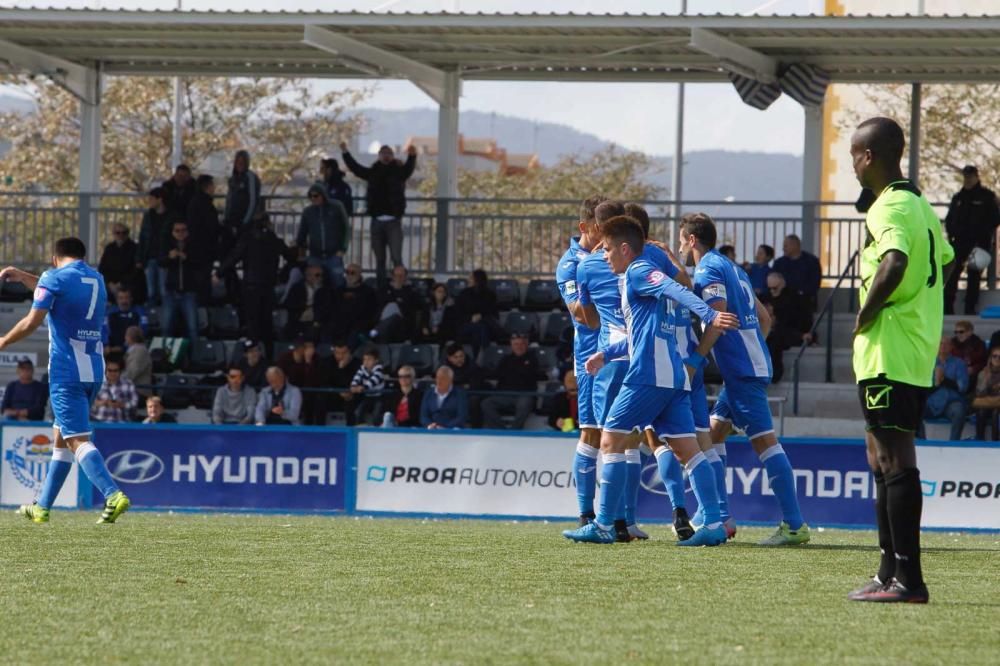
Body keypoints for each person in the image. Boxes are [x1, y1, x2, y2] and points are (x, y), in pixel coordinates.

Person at [564, 215, 738, 546]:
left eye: (608, 249)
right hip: (673, 375)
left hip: (648, 375)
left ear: (625, 249)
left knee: (610, 440)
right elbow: (640, 332)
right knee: (689, 450)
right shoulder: (640, 274)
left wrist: (709, 314)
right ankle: (714, 523)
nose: (604, 256)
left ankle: (602, 524)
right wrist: (607, 353)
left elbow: (674, 287)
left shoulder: (639, 271)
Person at [847, 116, 954, 604]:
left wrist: (868, 312)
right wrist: (921, 309)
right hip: (908, 346)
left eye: (854, 153)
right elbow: (946, 261)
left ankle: (910, 581)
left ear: (868, 156)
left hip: (889, 346)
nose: (852, 162)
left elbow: (895, 262)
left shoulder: (889, 206)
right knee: (879, 459)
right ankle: (889, 571)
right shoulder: (922, 208)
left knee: (893, 461)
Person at [682, 212, 810, 546]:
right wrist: (751, 349)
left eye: (681, 239)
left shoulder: (709, 268)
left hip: (743, 372)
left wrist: (696, 361)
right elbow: (765, 318)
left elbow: (718, 318)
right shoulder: (733, 268)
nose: (680, 245)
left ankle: (795, 526)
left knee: (766, 444)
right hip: (747, 368)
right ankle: (721, 514)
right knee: (713, 433)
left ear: (692, 240)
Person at [0, 238, 131, 523]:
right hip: (93, 371)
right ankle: (42, 506)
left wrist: (4, 340)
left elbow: (34, 319)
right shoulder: (96, 278)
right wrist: (24, 278)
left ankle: (112, 494)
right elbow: (58, 289)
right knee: (62, 438)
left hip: (66, 371)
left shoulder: (54, 278)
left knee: (76, 439)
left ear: (54, 257)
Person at [555, 195, 604, 522]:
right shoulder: (572, 264)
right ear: (585, 227)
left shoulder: (616, 257)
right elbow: (584, 316)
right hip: (591, 360)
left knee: (625, 434)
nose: (608, 238)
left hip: (622, 356)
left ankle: (623, 519)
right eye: (602, 230)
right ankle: (586, 515)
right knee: (591, 433)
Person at [217, 212, 297, 355]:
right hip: (268, 285)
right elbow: (290, 257)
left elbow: (234, 257)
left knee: (252, 324)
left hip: (251, 286)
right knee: (267, 324)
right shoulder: (274, 240)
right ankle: (269, 357)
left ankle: (252, 357)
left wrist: (219, 273)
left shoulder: (247, 239)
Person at [340, 141, 417, 288]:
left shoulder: (398, 172)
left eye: (389, 154)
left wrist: (412, 157)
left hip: (393, 221)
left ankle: (399, 285)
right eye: (384, 154)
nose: (386, 156)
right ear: (379, 156)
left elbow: (408, 169)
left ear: (393, 156)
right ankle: (382, 288)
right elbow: (356, 168)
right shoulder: (373, 172)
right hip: (376, 221)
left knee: (396, 257)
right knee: (380, 259)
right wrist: (345, 152)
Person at [943, 165, 1000, 315]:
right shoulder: (959, 197)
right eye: (966, 176)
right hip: (959, 242)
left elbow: (995, 218)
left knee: (974, 276)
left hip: (979, 243)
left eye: (970, 176)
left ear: (976, 176)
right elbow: (950, 219)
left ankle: (970, 308)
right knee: (952, 274)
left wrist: (982, 232)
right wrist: (951, 234)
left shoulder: (987, 196)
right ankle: (947, 307)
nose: (967, 180)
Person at [296, 182, 350, 288]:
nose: (313, 198)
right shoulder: (308, 211)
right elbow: (302, 232)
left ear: (323, 195)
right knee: (313, 283)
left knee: (338, 282)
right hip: (315, 254)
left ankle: (338, 303)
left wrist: (343, 249)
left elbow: (346, 228)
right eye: (310, 196)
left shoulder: (337, 206)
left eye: (316, 195)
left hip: (334, 254)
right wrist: (300, 249)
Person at [762, 272, 813, 383]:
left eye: (774, 288)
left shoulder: (794, 299)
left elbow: (798, 321)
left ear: (782, 285)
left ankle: (773, 374)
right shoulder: (766, 297)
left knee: (775, 340)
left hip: (787, 333)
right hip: (770, 332)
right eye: (769, 288)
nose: (772, 291)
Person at [481, 333, 539, 430]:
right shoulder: (505, 359)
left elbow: (531, 375)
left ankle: (515, 431)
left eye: (521, 344)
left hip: (524, 394)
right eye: (516, 344)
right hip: (505, 394)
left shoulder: (533, 359)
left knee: (524, 404)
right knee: (486, 403)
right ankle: (501, 430)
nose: (519, 347)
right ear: (511, 346)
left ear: (526, 345)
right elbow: (497, 374)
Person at [159, 220, 202, 343]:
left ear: (188, 232)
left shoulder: (194, 245)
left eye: (183, 230)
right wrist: (169, 257)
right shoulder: (167, 245)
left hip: (189, 292)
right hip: (171, 292)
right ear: (172, 232)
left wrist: (187, 257)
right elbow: (160, 262)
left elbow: (200, 262)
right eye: (177, 230)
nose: (180, 233)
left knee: (193, 328)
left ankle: (195, 357)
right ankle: (165, 358)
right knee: (166, 327)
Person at [920, 337, 968, 441]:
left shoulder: (958, 363)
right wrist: (936, 383)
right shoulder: (927, 363)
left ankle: (954, 443)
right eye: (940, 343)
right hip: (931, 402)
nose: (943, 346)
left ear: (951, 347)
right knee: (915, 411)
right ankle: (922, 443)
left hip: (951, 402)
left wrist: (944, 379)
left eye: (946, 344)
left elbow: (962, 387)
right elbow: (921, 386)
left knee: (959, 411)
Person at [137, 186, 174, 305]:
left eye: (152, 199)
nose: (149, 202)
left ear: (160, 199)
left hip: (164, 257)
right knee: (151, 291)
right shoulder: (148, 216)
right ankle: (153, 316)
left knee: (164, 290)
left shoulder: (171, 217)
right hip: (150, 256)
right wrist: (140, 257)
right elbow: (142, 237)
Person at [277, 337, 324, 425]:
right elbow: (282, 377)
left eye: (312, 347)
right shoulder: (285, 358)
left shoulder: (316, 359)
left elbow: (314, 382)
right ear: (299, 348)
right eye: (308, 347)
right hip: (289, 391)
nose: (311, 350)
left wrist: (308, 363)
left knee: (318, 401)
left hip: (309, 393)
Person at [331, 263, 378, 348]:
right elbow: (334, 310)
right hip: (339, 327)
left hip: (359, 328)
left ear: (359, 274)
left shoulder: (368, 292)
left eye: (352, 272)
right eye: (347, 272)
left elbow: (371, 313)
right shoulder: (338, 291)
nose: (349, 275)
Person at [455, 269, 501, 356]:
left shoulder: (490, 295)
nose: (468, 280)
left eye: (471, 278)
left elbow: (493, 312)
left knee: (480, 329)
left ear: (478, 279)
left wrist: (481, 316)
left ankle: (477, 359)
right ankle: (486, 356)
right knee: (481, 328)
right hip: (466, 324)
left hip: (484, 324)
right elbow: (458, 313)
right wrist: (470, 318)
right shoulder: (464, 294)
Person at [283, 264, 335, 341]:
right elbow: (289, 304)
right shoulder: (297, 288)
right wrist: (305, 307)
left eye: (322, 275)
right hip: (299, 321)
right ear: (308, 276)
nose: (321, 277)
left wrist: (318, 291)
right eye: (317, 275)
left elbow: (329, 307)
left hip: (319, 321)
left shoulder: (327, 289)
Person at [373, 265, 424, 343]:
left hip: (402, 325)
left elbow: (414, 309)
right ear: (392, 276)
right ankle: (376, 333)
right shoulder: (383, 290)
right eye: (396, 275)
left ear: (405, 277)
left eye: (401, 276)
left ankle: (373, 334)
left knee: (394, 310)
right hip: (383, 322)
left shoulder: (411, 292)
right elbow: (379, 306)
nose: (398, 278)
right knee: (391, 308)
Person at [772, 234, 822, 314]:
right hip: (783, 304)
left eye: (786, 246)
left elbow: (815, 283)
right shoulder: (779, 263)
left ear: (795, 245)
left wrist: (798, 290)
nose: (783, 249)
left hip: (804, 303)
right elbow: (773, 281)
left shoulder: (811, 262)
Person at [443, 342, 486, 427]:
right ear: (449, 358)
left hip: (470, 396)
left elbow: (475, 385)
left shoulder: (472, 366)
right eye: (455, 357)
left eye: (461, 356)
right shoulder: (444, 369)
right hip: (453, 396)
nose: (459, 359)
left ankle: (475, 430)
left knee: (474, 401)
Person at [186, 174, 222, 266]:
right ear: (208, 187)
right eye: (212, 185)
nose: (214, 187)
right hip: (205, 248)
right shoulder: (206, 204)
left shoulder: (195, 201)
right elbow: (212, 226)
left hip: (196, 246)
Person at [98, 223, 140, 301]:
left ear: (128, 234)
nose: (121, 235)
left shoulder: (135, 248)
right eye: (118, 233)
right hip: (110, 283)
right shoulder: (109, 248)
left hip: (128, 283)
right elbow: (102, 268)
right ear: (114, 234)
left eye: (124, 233)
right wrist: (110, 283)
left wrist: (121, 283)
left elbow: (136, 270)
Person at [224, 149, 262, 232]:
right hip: (231, 221)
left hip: (244, 223)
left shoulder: (250, 177)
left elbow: (253, 201)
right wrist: (226, 218)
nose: (239, 164)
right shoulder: (233, 178)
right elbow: (228, 200)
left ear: (246, 163)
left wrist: (245, 222)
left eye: (242, 162)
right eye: (237, 161)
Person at [92, 357, 139, 423]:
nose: (112, 373)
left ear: (120, 371)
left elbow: (135, 403)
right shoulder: (97, 384)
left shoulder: (129, 384)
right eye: (110, 370)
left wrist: (122, 405)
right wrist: (104, 403)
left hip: (122, 423)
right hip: (100, 422)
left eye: (115, 370)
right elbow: (89, 402)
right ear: (105, 370)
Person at [322, 340, 361, 419]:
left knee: (351, 400)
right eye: (337, 353)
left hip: (351, 394)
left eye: (343, 353)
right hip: (333, 393)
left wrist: (342, 369)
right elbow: (326, 382)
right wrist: (339, 392)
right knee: (321, 399)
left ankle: (351, 429)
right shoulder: (327, 362)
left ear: (349, 352)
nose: (340, 356)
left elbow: (353, 383)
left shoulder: (358, 363)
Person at [348, 347, 386, 426]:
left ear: (376, 360)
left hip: (379, 397)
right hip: (367, 397)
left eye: (369, 359)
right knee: (357, 412)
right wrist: (353, 386)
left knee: (376, 415)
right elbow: (356, 377)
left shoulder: (379, 370)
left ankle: (378, 431)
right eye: (364, 359)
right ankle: (361, 428)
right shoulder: (362, 369)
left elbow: (373, 381)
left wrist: (362, 387)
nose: (366, 362)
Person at [105, 288, 148, 355]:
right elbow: (103, 330)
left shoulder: (139, 312)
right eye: (121, 298)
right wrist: (106, 345)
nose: (124, 301)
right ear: (117, 300)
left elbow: (143, 330)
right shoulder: (109, 312)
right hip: (110, 350)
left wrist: (124, 347)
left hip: (133, 349)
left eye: (126, 298)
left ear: (131, 299)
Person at [972, 349, 1000, 440]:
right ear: (990, 358)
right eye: (994, 356)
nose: (997, 359)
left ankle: (995, 442)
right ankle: (980, 440)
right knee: (981, 410)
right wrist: (986, 381)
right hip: (987, 402)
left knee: (996, 413)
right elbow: (979, 394)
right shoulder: (983, 373)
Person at [950, 320, 987, 386]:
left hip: (973, 373)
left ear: (970, 332)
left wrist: (974, 369)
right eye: (956, 332)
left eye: (961, 332)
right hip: (955, 371)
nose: (958, 334)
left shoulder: (979, 344)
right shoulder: (951, 344)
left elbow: (984, 362)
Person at [122, 326, 152, 396]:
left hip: (139, 391)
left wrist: (115, 381)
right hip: (129, 389)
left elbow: (133, 372)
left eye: (126, 335)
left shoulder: (140, 351)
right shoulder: (133, 350)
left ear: (130, 337)